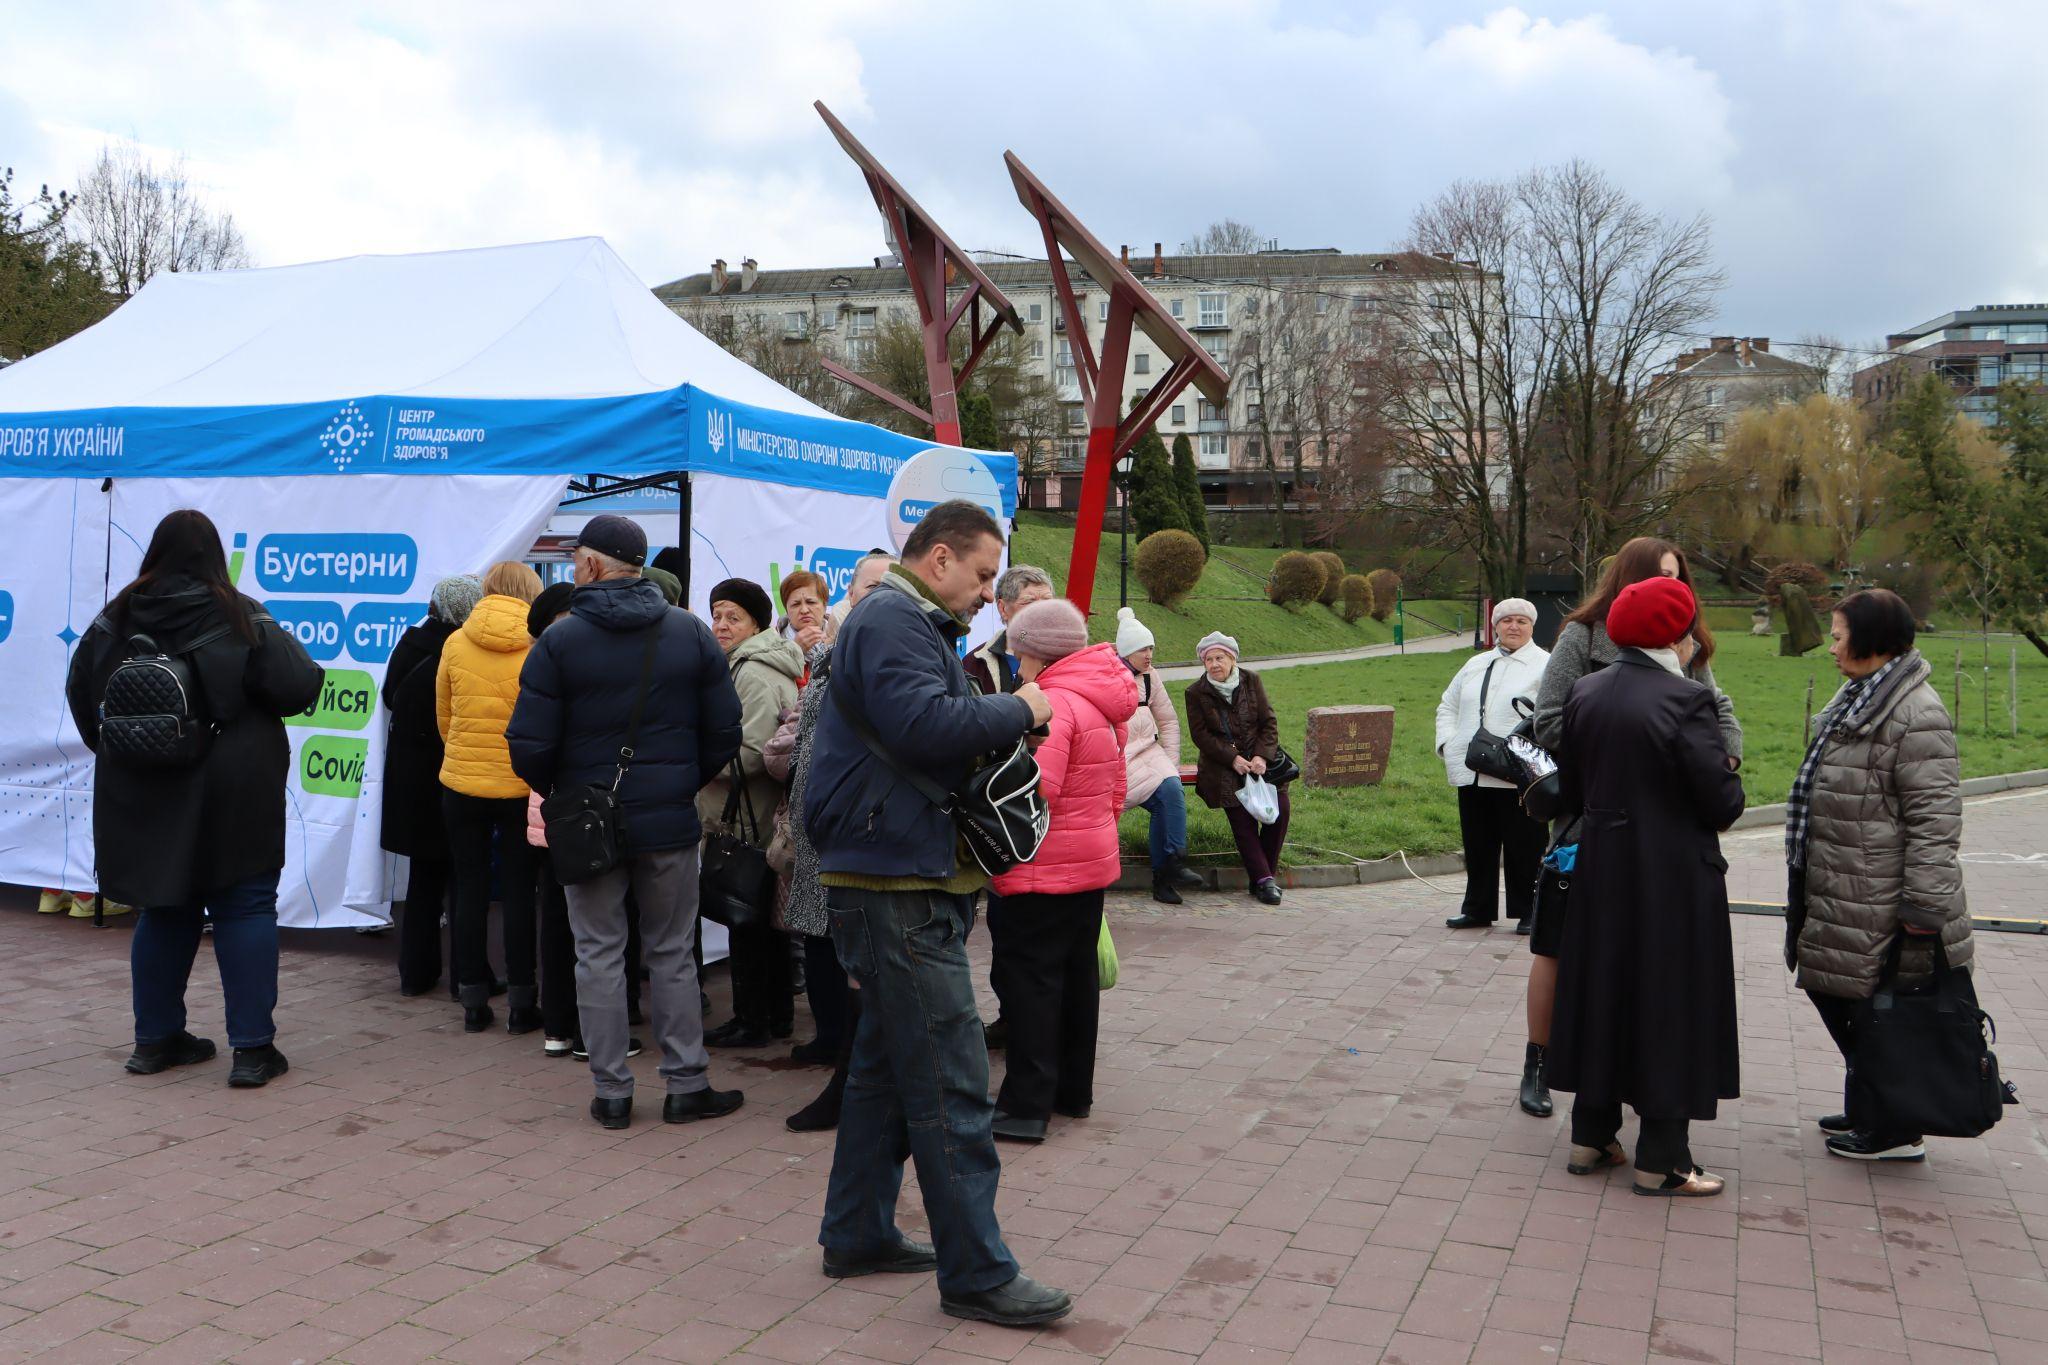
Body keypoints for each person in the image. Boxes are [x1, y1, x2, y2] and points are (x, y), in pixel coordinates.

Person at [805, 499, 1069, 1326]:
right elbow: (923, 725)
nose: (990, 593)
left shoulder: (903, 621)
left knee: (885, 1070)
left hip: (898, 874)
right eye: (985, 575)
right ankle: (977, 1272)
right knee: (953, 1082)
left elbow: (918, 728)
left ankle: (858, 1232)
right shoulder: (895, 620)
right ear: (941, 557)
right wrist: (1024, 707)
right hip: (896, 884)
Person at [66, 509, 323, 1086]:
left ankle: (155, 1041)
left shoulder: (113, 618)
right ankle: (252, 1052)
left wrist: (138, 751)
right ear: (215, 556)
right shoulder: (240, 614)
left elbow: (84, 703)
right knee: (245, 905)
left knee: (163, 906)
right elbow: (299, 685)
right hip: (236, 783)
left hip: (144, 787)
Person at [507, 514, 747, 1130]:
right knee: (671, 953)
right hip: (667, 820)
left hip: (588, 824)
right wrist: (677, 783)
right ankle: (686, 1084)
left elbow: (528, 744)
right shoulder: (690, 633)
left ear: (590, 565)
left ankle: (612, 1092)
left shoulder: (559, 641)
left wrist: (567, 796)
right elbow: (725, 730)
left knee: (598, 954)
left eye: (575, 559)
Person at [1520, 537, 1742, 1119]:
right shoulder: (1582, 636)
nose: (1674, 587)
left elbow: (1714, 708)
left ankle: (1619, 1084)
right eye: (1662, 576)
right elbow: (1549, 720)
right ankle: (1540, 1061)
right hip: (1590, 818)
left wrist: (1724, 756)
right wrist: (1630, 745)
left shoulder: (1686, 640)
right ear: (1630, 578)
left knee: (1638, 959)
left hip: (1663, 825)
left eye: (1679, 577)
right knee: (1558, 946)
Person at [1788, 589, 1972, 1163]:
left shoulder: (1916, 714)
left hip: (1883, 896)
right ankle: (1873, 1100)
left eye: (1839, 636)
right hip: (1845, 884)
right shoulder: (1861, 698)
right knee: (1840, 993)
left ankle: (1895, 1127)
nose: (1831, 647)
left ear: (1870, 640)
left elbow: (1935, 822)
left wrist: (1923, 909)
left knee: (1873, 1006)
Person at [987, 599, 1139, 1143]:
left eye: (1018, 653)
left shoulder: (1050, 701)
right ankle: (1073, 1092)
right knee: (1077, 981)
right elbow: (1117, 788)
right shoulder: (1100, 697)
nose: (1015, 664)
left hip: (1042, 867)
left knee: (1031, 985)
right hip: (1090, 861)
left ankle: (1025, 1107)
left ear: (1037, 652)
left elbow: (1034, 790)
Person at [772, 544, 898, 1132]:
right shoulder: (831, 663)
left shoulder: (873, 663)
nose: (877, 597)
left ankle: (859, 1084)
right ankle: (850, 1072)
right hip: (827, 835)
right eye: (869, 587)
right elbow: (803, 752)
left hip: (863, 842)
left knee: (862, 965)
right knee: (843, 959)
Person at [437, 560, 545, 1035]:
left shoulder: (455, 641)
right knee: (521, 894)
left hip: (462, 784)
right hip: (519, 785)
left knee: (469, 890)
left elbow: (445, 716)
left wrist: (465, 755)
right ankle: (522, 1004)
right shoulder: (539, 645)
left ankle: (472, 1001)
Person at [700, 577, 804, 1049]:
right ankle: (774, 1015)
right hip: (752, 812)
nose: (721, 625)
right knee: (762, 920)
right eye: (717, 615)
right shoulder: (746, 664)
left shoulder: (754, 672)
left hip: (746, 815)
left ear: (757, 623)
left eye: (733, 617)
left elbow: (753, 752)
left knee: (747, 919)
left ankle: (753, 1020)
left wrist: (695, 759)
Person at [382, 574, 482, 998]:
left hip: (411, 781)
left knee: (422, 881)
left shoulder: (409, 644)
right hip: (454, 774)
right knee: (464, 880)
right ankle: (467, 978)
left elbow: (389, 697)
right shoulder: (466, 651)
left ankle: (415, 974)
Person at [1436, 599, 1550, 932]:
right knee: (1478, 842)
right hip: (1472, 768)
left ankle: (1529, 910)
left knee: (1525, 844)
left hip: (1519, 772)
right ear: (1496, 626)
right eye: (1507, 620)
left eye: (1522, 621)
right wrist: (1449, 743)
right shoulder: (1476, 663)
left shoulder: (1545, 664)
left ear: (1532, 626)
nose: (1514, 627)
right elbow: (1448, 704)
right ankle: (1477, 908)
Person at [1185, 632, 1289, 906]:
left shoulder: (1251, 680)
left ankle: (1262, 877)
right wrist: (1232, 759)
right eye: (1208, 660)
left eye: (1219, 658)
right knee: (1242, 818)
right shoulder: (1195, 693)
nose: (1214, 664)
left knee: (1279, 810)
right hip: (1223, 765)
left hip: (1260, 761)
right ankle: (1265, 881)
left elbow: (1269, 722)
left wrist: (1261, 757)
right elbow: (1200, 735)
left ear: (1232, 659)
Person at [1115, 608, 1204, 904]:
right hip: (1117, 757)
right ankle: (1165, 872)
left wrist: (1171, 763)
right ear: (1127, 651)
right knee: (1159, 800)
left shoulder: (1150, 677)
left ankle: (1172, 867)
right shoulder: (1107, 676)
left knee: (1171, 788)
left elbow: (1168, 721)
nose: (1149, 655)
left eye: (1151, 648)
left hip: (1150, 752)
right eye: (1143, 649)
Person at [964, 564, 1054, 698]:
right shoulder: (974, 664)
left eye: (1047, 602)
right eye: (1029, 602)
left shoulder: (1067, 661)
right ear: (1003, 608)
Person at [826, 550, 894, 639]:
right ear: (851, 593)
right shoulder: (841, 611)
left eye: (893, 587)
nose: (883, 593)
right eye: (872, 586)